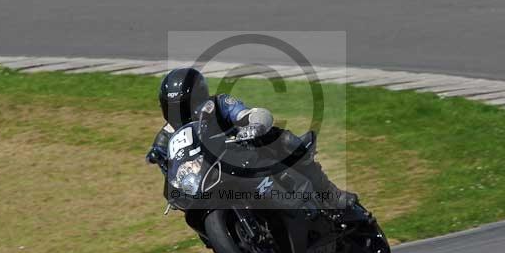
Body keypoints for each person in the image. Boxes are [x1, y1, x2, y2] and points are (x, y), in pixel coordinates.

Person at [146, 67, 357, 211]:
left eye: (184, 105)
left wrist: (253, 125)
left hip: (246, 155)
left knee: (280, 139)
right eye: (172, 107)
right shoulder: (164, 139)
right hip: (208, 180)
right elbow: (171, 170)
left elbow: (248, 114)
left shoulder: (219, 104)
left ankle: (329, 193)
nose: (179, 112)